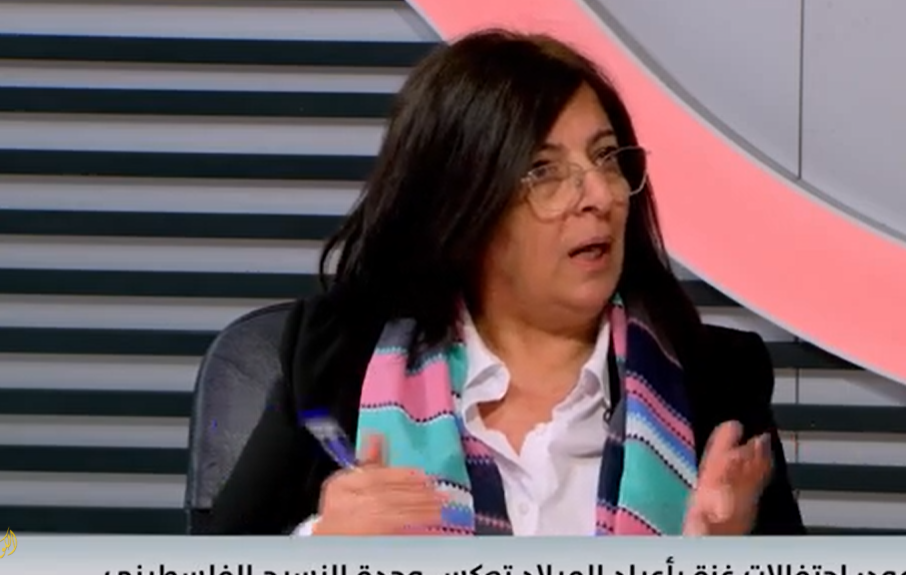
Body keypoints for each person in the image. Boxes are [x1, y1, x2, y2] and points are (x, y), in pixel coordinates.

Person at [206, 28, 805, 536]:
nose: (599, 196)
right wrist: (321, 544)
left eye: (606, 157)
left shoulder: (715, 380)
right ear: (464, 205)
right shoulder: (336, 360)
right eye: (544, 171)